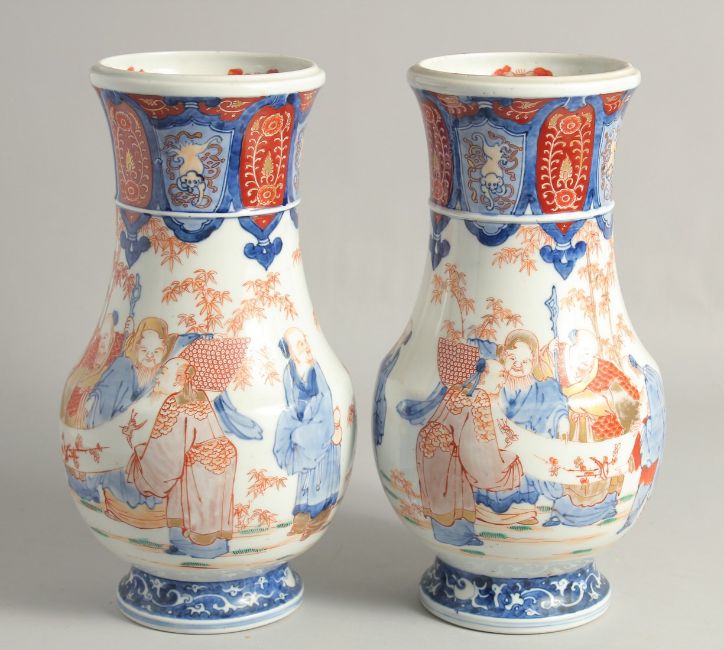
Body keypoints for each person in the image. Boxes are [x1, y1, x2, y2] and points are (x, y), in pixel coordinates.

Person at [126, 340, 246, 559]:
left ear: (178, 380)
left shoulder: (175, 403)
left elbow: (166, 451)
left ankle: (200, 548)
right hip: (220, 456)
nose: (157, 377)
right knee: (205, 502)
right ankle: (209, 545)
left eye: (163, 373)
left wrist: (141, 451)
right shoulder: (198, 396)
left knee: (197, 502)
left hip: (200, 462)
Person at [538, 329, 640, 527]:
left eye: (593, 355)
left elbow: (628, 396)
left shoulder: (603, 369)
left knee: (595, 472)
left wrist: (595, 403)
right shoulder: (556, 358)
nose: (589, 359)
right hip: (567, 435)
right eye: (585, 353)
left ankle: (604, 507)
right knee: (568, 472)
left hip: (596, 436)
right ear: (573, 346)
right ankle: (562, 510)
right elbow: (540, 380)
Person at [273, 328, 341, 541]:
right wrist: (295, 423)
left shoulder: (315, 368)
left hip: (320, 423)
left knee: (317, 465)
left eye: (305, 341)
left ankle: (319, 512)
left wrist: (312, 421)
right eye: (299, 344)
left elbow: (325, 396)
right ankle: (303, 515)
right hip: (302, 424)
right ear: (290, 352)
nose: (306, 347)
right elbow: (289, 404)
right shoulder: (289, 372)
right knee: (298, 442)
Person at [84, 317, 197, 428]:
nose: (149, 356)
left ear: (164, 350)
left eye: (156, 352)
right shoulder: (125, 368)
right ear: (136, 349)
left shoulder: (162, 373)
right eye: (144, 350)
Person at [619, 356, 665, 533]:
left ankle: (630, 515)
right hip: (644, 438)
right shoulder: (645, 378)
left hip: (648, 442)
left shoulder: (648, 380)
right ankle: (629, 515)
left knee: (644, 477)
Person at [61, 312, 127, 427]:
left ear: (112, 338)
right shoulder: (89, 362)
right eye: (100, 338)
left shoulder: (114, 365)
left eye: (105, 337)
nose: (101, 342)